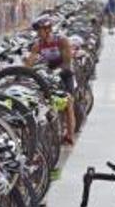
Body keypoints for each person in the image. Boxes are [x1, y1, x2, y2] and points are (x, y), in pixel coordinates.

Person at [25, 15, 77, 145]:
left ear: (48, 29)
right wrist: (20, 74)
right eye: (37, 31)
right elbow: (29, 64)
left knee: (68, 104)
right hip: (49, 76)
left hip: (65, 74)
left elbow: (67, 62)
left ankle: (70, 135)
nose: (38, 34)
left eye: (40, 31)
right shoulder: (37, 45)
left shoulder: (62, 41)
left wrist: (57, 71)